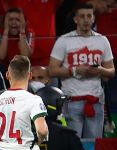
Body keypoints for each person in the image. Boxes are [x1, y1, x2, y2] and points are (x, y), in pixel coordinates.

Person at [48, 3, 115, 138]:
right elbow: (52, 70)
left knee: (95, 145)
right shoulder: (64, 40)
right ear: (75, 19)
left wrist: (100, 70)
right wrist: (74, 71)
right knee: (73, 145)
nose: (86, 19)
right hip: (71, 101)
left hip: (95, 101)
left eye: (89, 16)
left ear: (93, 19)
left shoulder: (102, 40)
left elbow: (111, 71)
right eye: (82, 16)